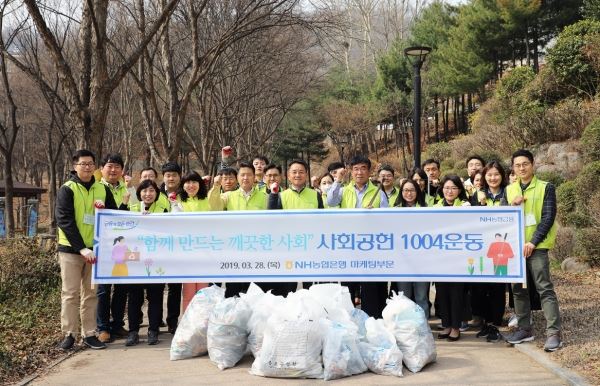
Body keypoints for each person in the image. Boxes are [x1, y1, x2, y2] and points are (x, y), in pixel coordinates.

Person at [55, 149, 118, 350]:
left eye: (91, 163)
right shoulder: (68, 188)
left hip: (96, 251)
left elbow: (113, 216)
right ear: (75, 166)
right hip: (71, 251)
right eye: (83, 163)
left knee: (91, 294)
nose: (87, 167)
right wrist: (81, 248)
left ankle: (90, 333)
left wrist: (104, 211)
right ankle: (69, 334)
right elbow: (64, 220)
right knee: (70, 293)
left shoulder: (102, 189)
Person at [503, 149, 562, 352]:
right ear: (513, 168)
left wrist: (533, 242)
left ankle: (554, 333)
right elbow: (501, 218)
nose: (521, 168)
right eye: (517, 165)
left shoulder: (546, 187)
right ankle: (524, 329)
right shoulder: (509, 190)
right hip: (515, 249)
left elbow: (548, 217)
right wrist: (512, 205)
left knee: (544, 288)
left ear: (532, 164)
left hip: (537, 248)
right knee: (518, 290)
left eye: (525, 164)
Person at [327, 155, 389, 318]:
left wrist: (375, 215)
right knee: (347, 288)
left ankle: (372, 321)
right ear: (350, 172)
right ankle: (347, 322)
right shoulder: (343, 190)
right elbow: (331, 202)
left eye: (363, 168)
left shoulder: (378, 192)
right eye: (355, 169)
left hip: (371, 247)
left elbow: (388, 218)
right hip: (349, 246)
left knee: (371, 289)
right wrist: (337, 179)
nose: (359, 172)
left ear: (369, 172)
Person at [209, 162, 268, 297]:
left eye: (249, 175)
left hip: (256, 250)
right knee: (233, 289)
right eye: (242, 175)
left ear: (255, 178)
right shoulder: (228, 196)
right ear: (238, 178)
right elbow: (214, 206)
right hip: (234, 249)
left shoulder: (264, 197)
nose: (245, 178)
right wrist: (216, 186)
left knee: (254, 290)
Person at [268, 159, 324, 293]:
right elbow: (272, 220)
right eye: (294, 172)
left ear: (306, 174)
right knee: (288, 287)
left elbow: (323, 220)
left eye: (301, 172)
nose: (297, 175)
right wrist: (273, 195)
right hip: (289, 248)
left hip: (311, 247)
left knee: (311, 288)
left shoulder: (315, 195)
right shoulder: (281, 195)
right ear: (288, 175)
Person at [125, 179, 169, 346]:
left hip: (156, 261)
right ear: (139, 193)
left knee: (155, 297)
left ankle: (153, 331)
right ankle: (133, 332)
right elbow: (121, 227)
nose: (148, 194)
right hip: (135, 261)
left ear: (157, 193)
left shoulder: (163, 210)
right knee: (135, 297)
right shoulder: (132, 208)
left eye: (151, 191)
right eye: (144, 191)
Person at [470, 160, 510, 343]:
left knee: (497, 286)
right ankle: (485, 321)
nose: (493, 178)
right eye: (489, 175)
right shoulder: (477, 195)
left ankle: (495, 322)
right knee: (480, 286)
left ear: (502, 176)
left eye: (496, 174)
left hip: (501, 247)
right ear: (484, 178)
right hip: (480, 248)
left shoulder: (509, 194)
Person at [96, 153, 129, 343]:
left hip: (123, 247)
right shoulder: (96, 188)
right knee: (103, 289)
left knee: (122, 287)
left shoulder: (128, 190)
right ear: (102, 168)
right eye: (109, 166)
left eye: (117, 166)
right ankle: (103, 327)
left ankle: (117, 324)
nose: (113, 170)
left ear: (122, 170)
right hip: (103, 246)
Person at [434, 175, 470, 342]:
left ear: (459, 190)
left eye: (454, 188)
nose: (449, 191)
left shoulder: (465, 206)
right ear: (442, 189)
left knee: (456, 293)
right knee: (442, 293)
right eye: (447, 188)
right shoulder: (435, 207)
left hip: (459, 257)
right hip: (441, 257)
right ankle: (446, 324)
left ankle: (456, 327)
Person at [177, 172, 215, 312]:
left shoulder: (207, 200)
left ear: (200, 184)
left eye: (194, 182)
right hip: (186, 253)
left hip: (205, 251)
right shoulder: (178, 200)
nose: (191, 185)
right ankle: (186, 323)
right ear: (183, 185)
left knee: (203, 292)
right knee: (188, 292)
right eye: (187, 182)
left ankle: (202, 323)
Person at [393, 179, 430, 318]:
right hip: (402, 261)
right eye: (406, 190)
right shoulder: (394, 211)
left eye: (412, 190)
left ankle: (423, 327)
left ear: (418, 191)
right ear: (401, 192)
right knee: (404, 297)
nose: (409, 193)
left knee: (421, 297)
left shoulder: (426, 209)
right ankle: (406, 327)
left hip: (422, 261)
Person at [160, 161, 183, 334]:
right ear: (163, 177)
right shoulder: (155, 192)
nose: (171, 178)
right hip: (160, 246)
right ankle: (157, 319)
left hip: (180, 246)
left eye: (174, 175)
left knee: (176, 287)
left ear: (179, 177)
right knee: (158, 285)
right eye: (168, 175)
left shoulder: (187, 193)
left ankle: (173, 321)